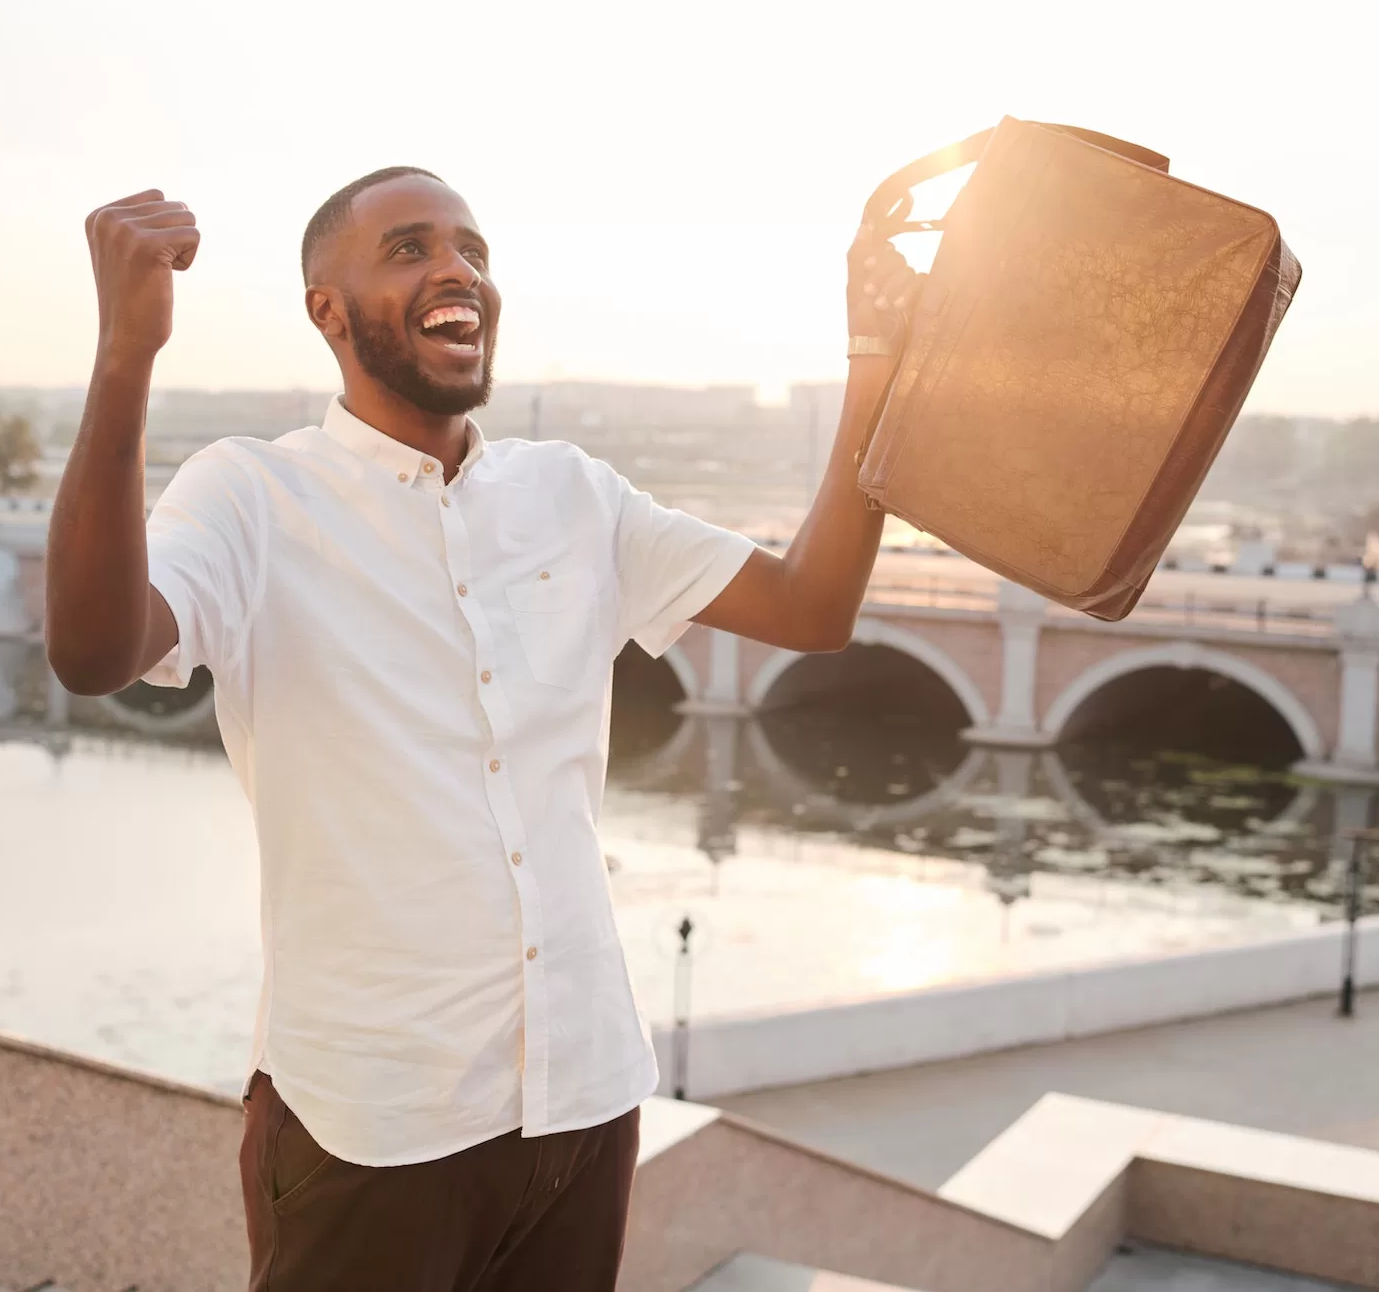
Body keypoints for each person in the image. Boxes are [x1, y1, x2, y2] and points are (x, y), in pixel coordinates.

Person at [46, 166, 918, 1292]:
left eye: (473, 251)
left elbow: (812, 606)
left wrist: (877, 363)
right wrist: (126, 354)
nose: (457, 270)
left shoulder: (574, 495)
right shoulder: (251, 495)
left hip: (584, 1098)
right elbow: (93, 651)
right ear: (327, 310)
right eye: (409, 248)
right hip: (375, 1122)